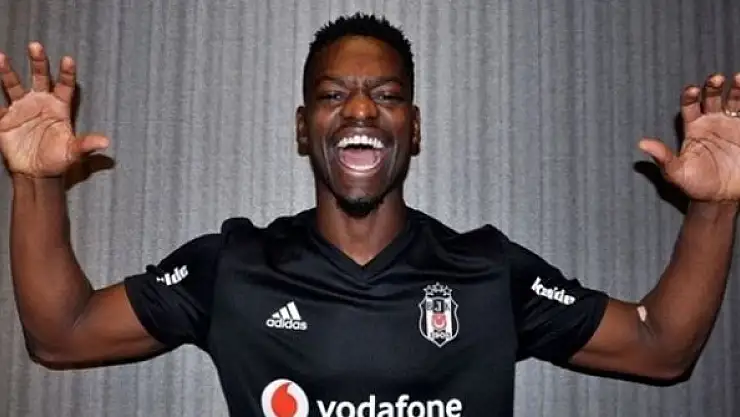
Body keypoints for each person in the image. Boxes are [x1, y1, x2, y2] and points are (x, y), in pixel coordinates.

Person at [1, 12, 739, 417]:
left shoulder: (488, 272)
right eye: (333, 95)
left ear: (413, 128)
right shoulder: (232, 267)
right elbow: (61, 335)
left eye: (386, 95)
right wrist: (35, 183)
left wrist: (714, 206)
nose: (359, 109)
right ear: (304, 128)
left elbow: (661, 348)